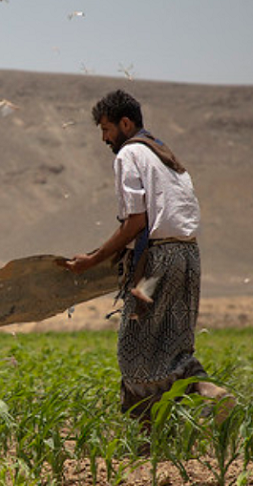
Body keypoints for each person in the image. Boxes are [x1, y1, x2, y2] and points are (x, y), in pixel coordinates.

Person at [60, 90, 229, 427]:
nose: (105, 138)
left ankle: (146, 442)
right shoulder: (165, 155)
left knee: (133, 351)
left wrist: (92, 260)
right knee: (175, 346)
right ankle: (207, 389)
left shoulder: (129, 154)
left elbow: (136, 222)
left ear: (126, 123)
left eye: (107, 129)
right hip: (188, 256)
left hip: (158, 261)